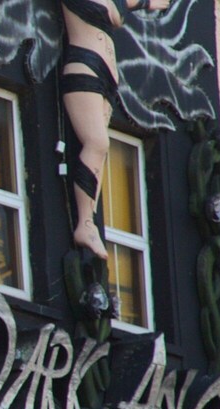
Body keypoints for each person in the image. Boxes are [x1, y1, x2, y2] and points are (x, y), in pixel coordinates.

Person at [59, 0, 167, 259]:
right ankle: (85, 224)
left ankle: (89, 220)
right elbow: (113, 13)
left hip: (104, 74)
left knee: (100, 146)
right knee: (97, 143)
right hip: (84, 64)